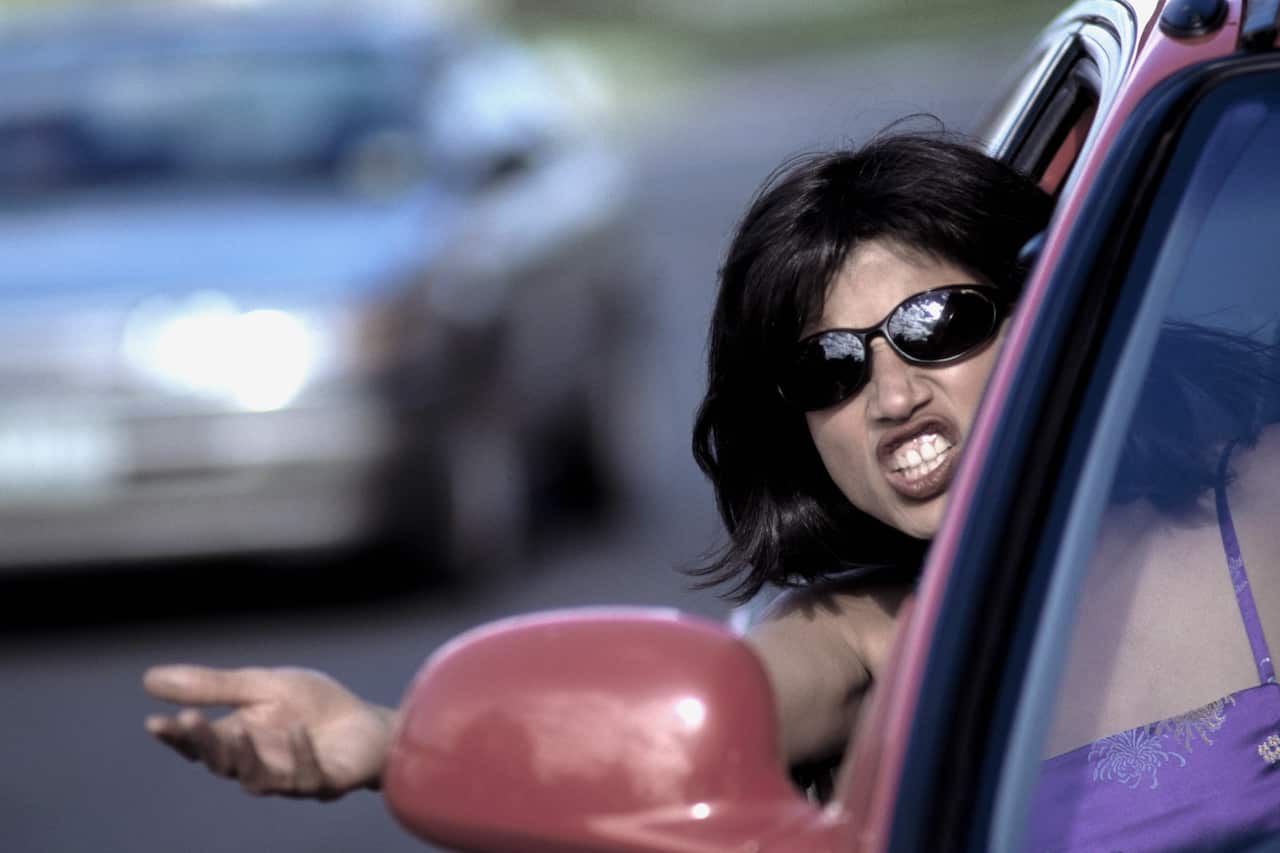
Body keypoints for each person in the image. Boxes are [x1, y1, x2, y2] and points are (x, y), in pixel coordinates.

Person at [144, 131, 1280, 847]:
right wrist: (391, 740)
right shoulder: (866, 642)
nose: (889, 396)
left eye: (935, 327)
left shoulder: (1257, 502)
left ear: (1051, 319)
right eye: (828, 370)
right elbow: (687, 717)